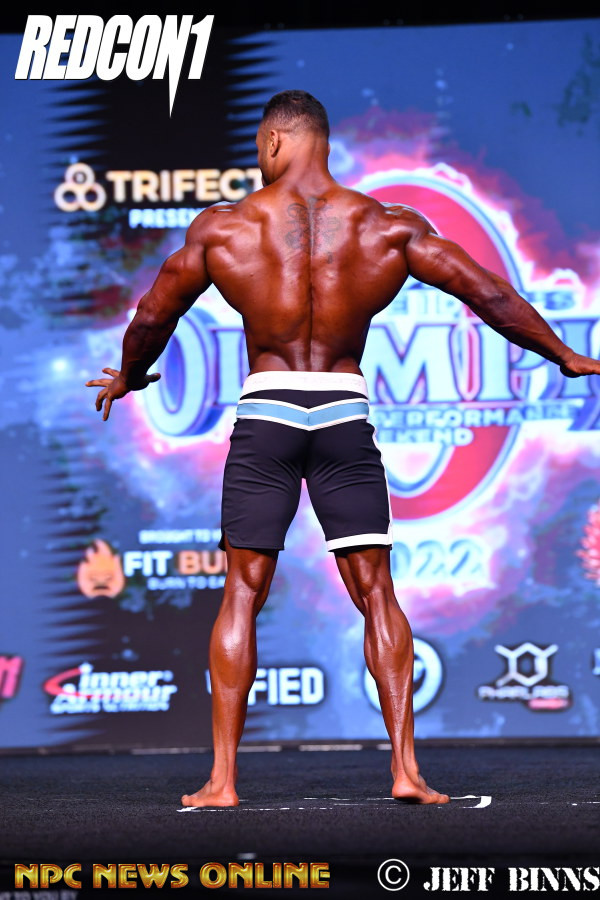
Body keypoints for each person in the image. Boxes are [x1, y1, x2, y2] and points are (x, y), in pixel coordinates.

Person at [86, 90, 600, 807]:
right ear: (322, 142)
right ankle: (407, 773)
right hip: (342, 414)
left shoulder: (227, 227)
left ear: (273, 142)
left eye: (258, 146)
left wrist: (130, 374)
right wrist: (563, 354)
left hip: (268, 414)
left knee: (242, 592)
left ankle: (223, 781)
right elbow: (487, 293)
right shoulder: (385, 226)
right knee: (376, 590)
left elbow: (153, 315)